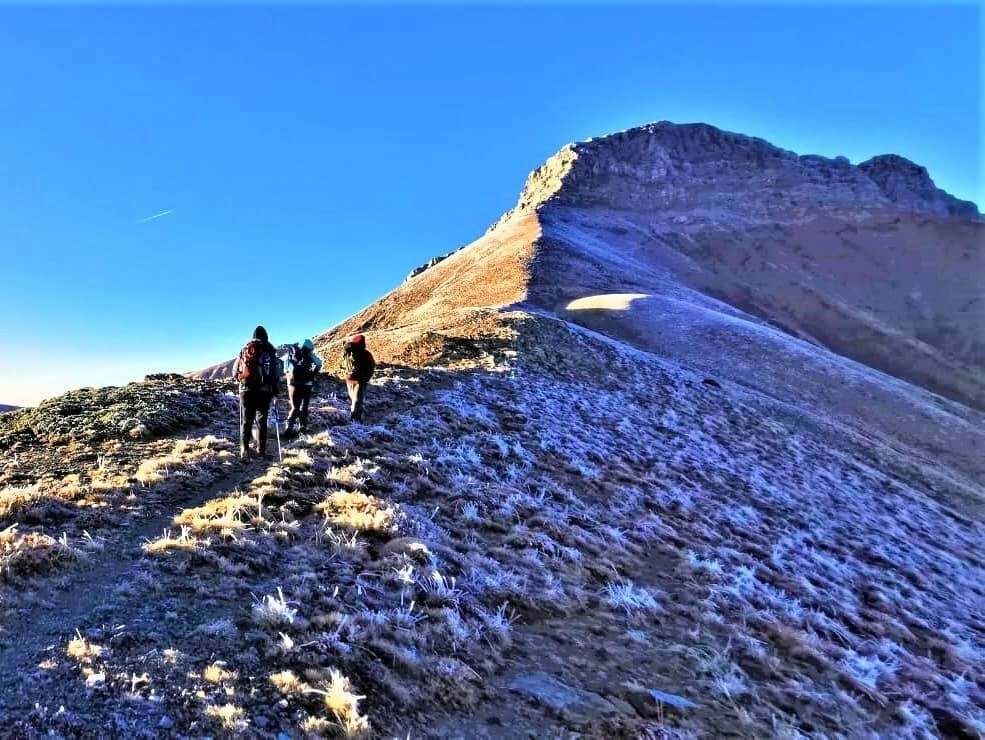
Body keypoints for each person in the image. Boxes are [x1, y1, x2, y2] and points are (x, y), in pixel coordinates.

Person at [233, 326, 280, 461]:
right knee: (261, 420)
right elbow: (276, 373)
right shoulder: (269, 350)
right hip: (264, 391)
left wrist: (241, 382)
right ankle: (261, 451)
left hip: (246, 390)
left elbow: (234, 371)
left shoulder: (245, 349)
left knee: (246, 421)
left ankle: (244, 450)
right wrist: (276, 391)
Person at [283, 338, 322, 436]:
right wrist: (313, 374)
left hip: (292, 384)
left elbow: (285, 369)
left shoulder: (292, 353)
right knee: (304, 407)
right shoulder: (309, 354)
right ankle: (303, 427)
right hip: (306, 384)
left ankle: (289, 427)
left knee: (295, 407)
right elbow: (319, 363)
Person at [339, 334, 376, 421]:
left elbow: (341, 365)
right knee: (357, 400)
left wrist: (344, 375)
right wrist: (366, 379)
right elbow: (371, 366)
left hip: (349, 379)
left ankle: (354, 418)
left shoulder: (347, 351)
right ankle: (355, 420)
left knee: (354, 399)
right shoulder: (365, 353)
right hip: (360, 380)